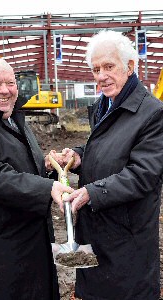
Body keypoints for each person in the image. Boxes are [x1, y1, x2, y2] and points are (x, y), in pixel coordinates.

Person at [47, 30, 163, 300]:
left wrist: (91, 192)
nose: (100, 76)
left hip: (126, 236)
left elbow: (143, 174)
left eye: (109, 67)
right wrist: (77, 157)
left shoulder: (152, 114)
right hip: (97, 228)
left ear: (130, 67)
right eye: (96, 69)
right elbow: (105, 151)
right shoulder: (105, 105)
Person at [0, 58, 73, 300]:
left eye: (10, 83)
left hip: (24, 244)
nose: (5, 90)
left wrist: (47, 167)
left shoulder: (12, 118)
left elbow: (18, 165)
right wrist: (47, 186)